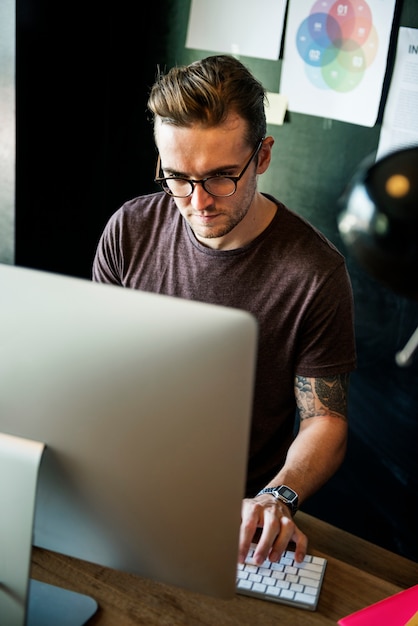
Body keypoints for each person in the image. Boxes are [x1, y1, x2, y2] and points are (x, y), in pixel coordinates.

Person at [92, 55, 356, 568]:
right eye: (177, 178)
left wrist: (275, 498)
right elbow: (98, 363)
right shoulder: (129, 230)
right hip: (125, 487)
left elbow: (325, 421)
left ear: (262, 157)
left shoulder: (314, 274)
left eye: (220, 177)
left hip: (235, 517)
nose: (197, 201)